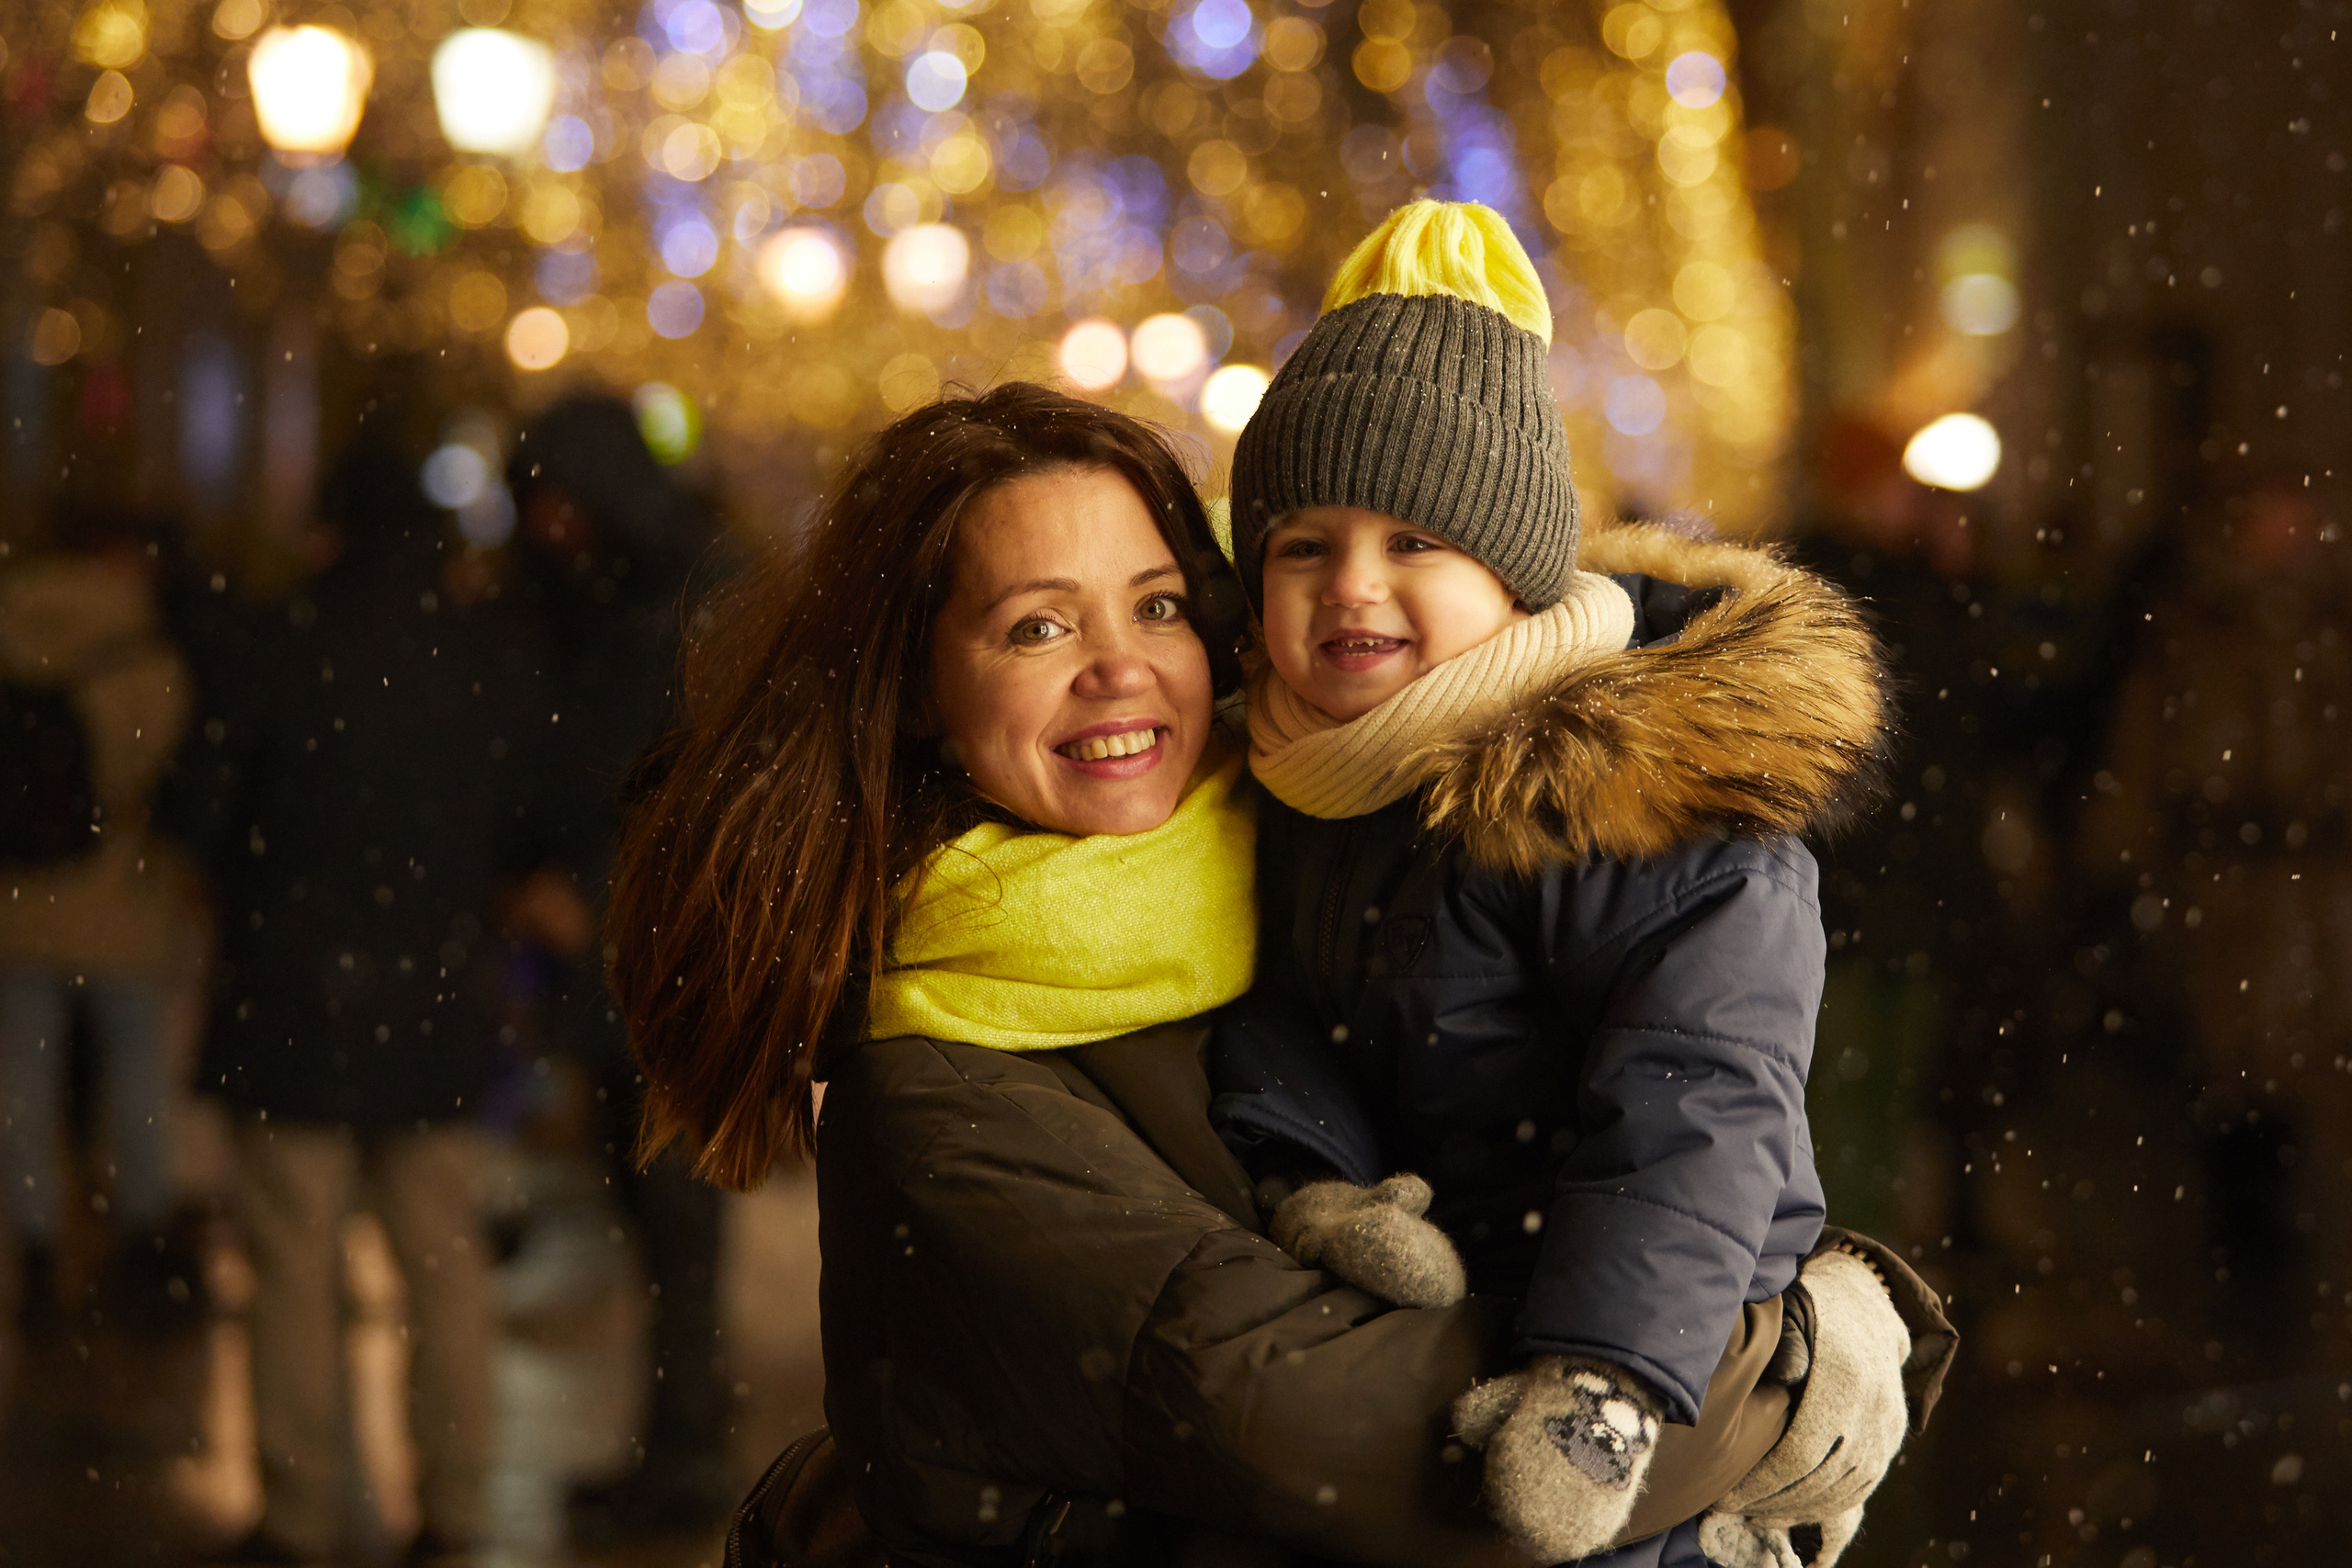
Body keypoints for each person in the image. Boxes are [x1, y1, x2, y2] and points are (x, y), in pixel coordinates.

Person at [607, 383, 1949, 1567]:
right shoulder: (943, 1081)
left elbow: (1675, 1092)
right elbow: (1367, 1447)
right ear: (916, 689)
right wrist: (1792, 1355)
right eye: (1034, 627)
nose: (1118, 665)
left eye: (1159, 605)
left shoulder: (1270, 878)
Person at [1218, 201, 1943, 1566]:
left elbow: (1700, 1099)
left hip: (1668, 1349)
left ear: (1515, 570)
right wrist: (1319, 1176)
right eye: (1301, 545)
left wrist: (1606, 1378)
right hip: (1457, 1336)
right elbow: (1282, 1006)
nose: (1349, 585)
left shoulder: (1635, 793)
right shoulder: (1317, 779)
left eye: (1414, 542)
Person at [175, 437, 555, 1566]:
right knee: (442, 1267)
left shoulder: (276, 644)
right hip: (433, 998)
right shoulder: (479, 655)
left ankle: (298, 1513)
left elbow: (198, 809)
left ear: (328, 528)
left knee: (293, 1269)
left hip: (290, 997)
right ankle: (455, 1507)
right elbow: (525, 819)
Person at [501, 393, 736, 1541]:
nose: (547, 523)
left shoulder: (682, 602)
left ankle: (689, 1454)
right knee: (653, 1227)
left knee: (679, 1228)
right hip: (617, 971)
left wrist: (586, 888)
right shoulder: (590, 599)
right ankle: (674, 1444)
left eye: (560, 497)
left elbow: (699, 796)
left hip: (673, 964)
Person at [0, 508, 200, 1331]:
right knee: (135, 1077)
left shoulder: (14, 631)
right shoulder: (150, 659)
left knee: (23, 1083)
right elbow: (166, 781)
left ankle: (38, 1247)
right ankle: (140, 1237)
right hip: (124, 901)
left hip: (18, 903)